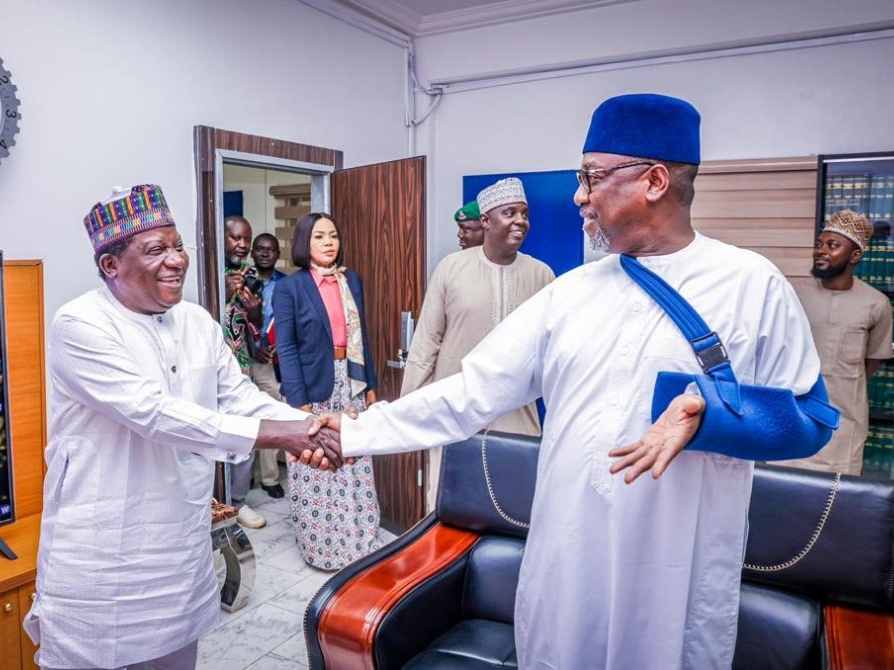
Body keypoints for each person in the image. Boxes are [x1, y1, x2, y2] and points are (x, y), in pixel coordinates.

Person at [330, 94, 825, 668]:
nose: (579, 196)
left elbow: (811, 418)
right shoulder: (570, 293)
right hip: (566, 572)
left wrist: (709, 418)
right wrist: (350, 433)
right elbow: (469, 391)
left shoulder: (751, 285)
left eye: (592, 177)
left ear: (655, 180)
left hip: (675, 583)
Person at [24, 184, 341, 670]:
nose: (176, 260)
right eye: (156, 250)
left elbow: (240, 397)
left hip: (178, 544)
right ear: (111, 264)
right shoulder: (80, 324)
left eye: (178, 246)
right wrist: (283, 436)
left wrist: (313, 424)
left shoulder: (196, 321)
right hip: (105, 550)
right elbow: (154, 413)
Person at [402, 177, 554, 509]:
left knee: (513, 507)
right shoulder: (451, 268)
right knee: (448, 505)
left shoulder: (542, 275)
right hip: (455, 410)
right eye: (510, 213)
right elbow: (426, 342)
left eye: (525, 214)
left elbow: (553, 353)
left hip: (516, 416)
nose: (520, 221)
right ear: (485, 220)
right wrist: (411, 413)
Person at [273, 212, 382, 570]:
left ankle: (361, 540)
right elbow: (286, 347)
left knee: (355, 457)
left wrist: (370, 385)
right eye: (319, 236)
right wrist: (299, 402)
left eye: (333, 235)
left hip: (351, 379)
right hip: (313, 386)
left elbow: (362, 336)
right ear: (304, 242)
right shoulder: (291, 288)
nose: (329, 242)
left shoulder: (351, 280)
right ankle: (324, 549)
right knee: (317, 463)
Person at [779, 211, 893, 475]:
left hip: (844, 425)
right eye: (819, 244)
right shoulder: (793, 295)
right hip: (795, 418)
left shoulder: (876, 303)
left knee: (836, 496)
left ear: (855, 256)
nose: (821, 251)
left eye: (832, 245)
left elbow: (871, 361)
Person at [220, 215, 268, 527]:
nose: (242, 245)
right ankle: (216, 502)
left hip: (241, 366)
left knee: (244, 432)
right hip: (210, 369)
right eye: (235, 238)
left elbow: (257, 325)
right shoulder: (208, 270)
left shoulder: (250, 274)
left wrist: (255, 310)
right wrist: (223, 293)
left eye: (246, 239)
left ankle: (238, 503)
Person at [248, 232, 288, 498]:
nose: (265, 253)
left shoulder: (286, 284)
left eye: (270, 249)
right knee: (245, 415)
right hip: (242, 355)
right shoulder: (240, 280)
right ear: (253, 252)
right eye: (260, 249)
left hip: (271, 359)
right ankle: (246, 476)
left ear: (277, 254)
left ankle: (269, 478)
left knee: (271, 413)